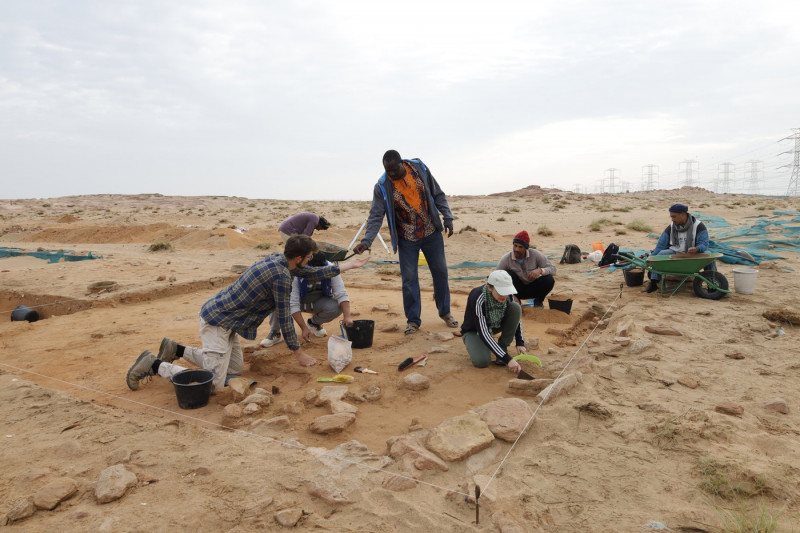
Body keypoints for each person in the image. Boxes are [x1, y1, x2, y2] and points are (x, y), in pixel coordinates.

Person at [125, 235, 369, 393]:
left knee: (236, 369)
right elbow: (284, 317)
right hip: (217, 321)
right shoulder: (282, 277)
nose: (310, 260)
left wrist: (347, 266)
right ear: (298, 258)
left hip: (230, 322)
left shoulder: (280, 261)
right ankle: (154, 364)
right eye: (309, 257)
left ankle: (176, 349)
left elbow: (311, 274)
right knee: (212, 384)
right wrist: (299, 353)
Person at [352, 149, 457, 335]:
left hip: (431, 232)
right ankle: (413, 320)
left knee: (441, 272)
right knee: (409, 279)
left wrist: (447, 217)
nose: (391, 174)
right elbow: (376, 216)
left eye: (394, 169)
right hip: (407, 238)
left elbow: (438, 194)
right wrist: (367, 241)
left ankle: (445, 312)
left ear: (402, 163)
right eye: (387, 170)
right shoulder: (382, 186)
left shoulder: (419, 168)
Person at [260, 251, 353, 346]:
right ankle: (275, 332)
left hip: (316, 301)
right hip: (293, 301)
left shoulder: (330, 268)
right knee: (276, 300)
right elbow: (293, 303)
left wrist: (347, 316)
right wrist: (303, 328)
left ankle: (314, 324)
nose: (315, 275)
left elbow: (341, 293)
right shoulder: (295, 271)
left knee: (335, 307)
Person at [460, 270, 526, 373]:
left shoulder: (509, 296)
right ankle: (477, 344)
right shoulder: (478, 298)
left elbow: (517, 318)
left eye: (507, 291)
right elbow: (484, 333)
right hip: (475, 330)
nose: (504, 296)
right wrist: (508, 359)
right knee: (482, 362)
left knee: (516, 308)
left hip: (495, 325)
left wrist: (520, 342)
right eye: (500, 291)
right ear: (490, 287)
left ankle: (502, 346)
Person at [642, 203, 711, 293]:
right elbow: (660, 246)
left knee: (709, 256)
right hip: (676, 254)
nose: (672, 219)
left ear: (682, 214)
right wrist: (650, 259)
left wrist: (697, 249)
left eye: (674, 217)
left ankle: (712, 283)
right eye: (671, 217)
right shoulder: (671, 227)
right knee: (659, 255)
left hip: (693, 255)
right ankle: (653, 283)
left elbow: (704, 243)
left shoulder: (698, 226)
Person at [496, 230, 556, 307]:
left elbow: (553, 269)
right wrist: (509, 294)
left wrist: (540, 270)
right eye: (515, 246)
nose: (517, 249)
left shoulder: (535, 254)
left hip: (533, 288)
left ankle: (538, 301)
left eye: (520, 247)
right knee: (507, 273)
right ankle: (514, 300)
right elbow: (496, 276)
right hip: (515, 290)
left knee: (549, 279)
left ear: (526, 248)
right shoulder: (506, 258)